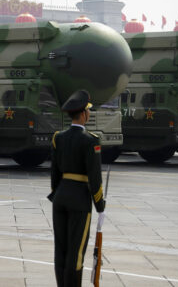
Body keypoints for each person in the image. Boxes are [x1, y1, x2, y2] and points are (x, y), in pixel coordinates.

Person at [49, 89, 105, 287]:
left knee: (61, 249)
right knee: (76, 251)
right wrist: (100, 203)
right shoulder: (91, 140)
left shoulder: (58, 137)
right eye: (89, 111)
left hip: (60, 197)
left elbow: (54, 173)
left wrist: (57, 194)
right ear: (83, 114)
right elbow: (94, 178)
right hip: (79, 199)